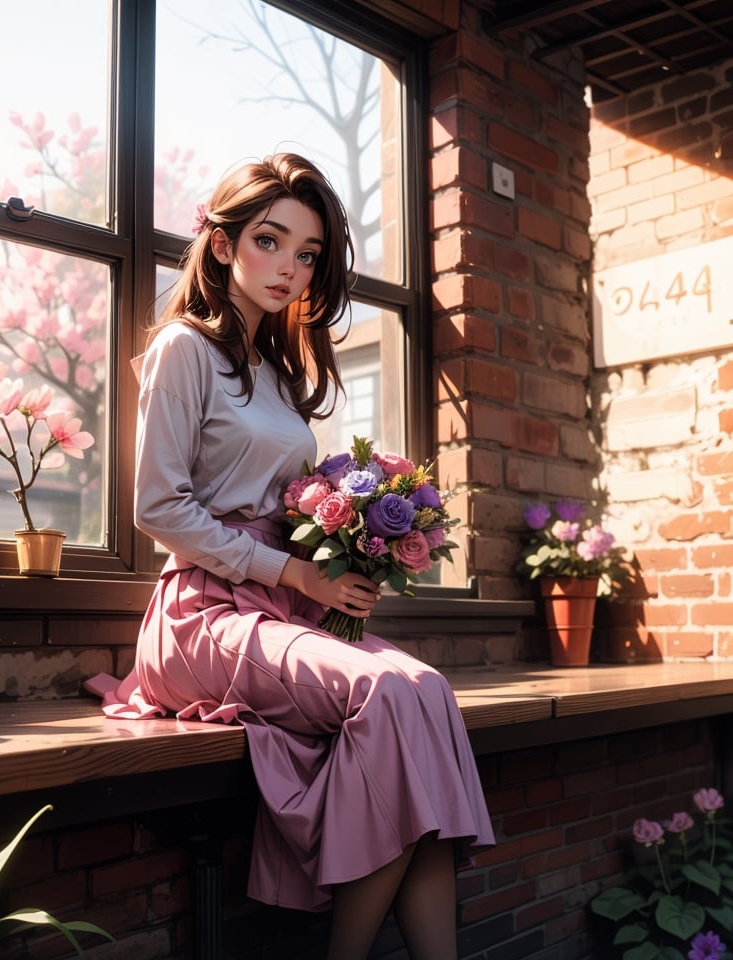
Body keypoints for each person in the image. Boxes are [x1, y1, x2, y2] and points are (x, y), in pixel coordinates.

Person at [85, 152, 494, 960]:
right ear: (224, 241)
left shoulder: (275, 369)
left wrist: (342, 561)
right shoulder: (183, 349)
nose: (289, 267)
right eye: (271, 241)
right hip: (202, 616)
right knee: (395, 693)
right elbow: (157, 508)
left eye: (307, 254)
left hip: (282, 608)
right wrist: (293, 571)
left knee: (428, 695)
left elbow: (285, 512)